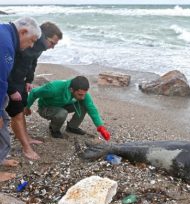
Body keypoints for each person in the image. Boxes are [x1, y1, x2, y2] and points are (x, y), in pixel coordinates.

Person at [6, 22, 63, 160]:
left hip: (21, 81)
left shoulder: (39, 47)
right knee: (16, 114)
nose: (53, 47)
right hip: (10, 82)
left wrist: (28, 80)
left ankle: (27, 137)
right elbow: (6, 67)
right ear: (42, 36)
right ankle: (26, 148)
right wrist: (12, 89)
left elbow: (33, 63)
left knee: (23, 109)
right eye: (52, 43)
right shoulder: (23, 42)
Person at [0, 17, 41, 182]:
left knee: (3, 130)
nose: (31, 46)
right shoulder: (5, 44)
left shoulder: (4, 34)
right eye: (31, 40)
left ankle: (1, 159)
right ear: (23, 32)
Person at [25, 76, 111, 142]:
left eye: (84, 94)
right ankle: (54, 130)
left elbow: (91, 108)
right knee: (62, 113)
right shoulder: (53, 88)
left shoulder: (81, 93)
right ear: (71, 89)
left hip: (62, 105)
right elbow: (33, 92)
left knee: (84, 105)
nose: (82, 97)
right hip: (46, 108)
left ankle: (72, 127)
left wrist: (100, 127)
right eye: (80, 94)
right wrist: (27, 107)